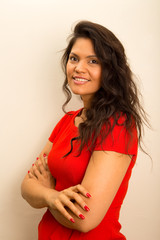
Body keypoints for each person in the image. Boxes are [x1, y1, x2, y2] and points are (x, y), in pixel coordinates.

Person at [21, 20, 148, 239]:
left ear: (110, 70)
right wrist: (51, 197)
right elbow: (26, 187)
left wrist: (45, 194)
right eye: (74, 58)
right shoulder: (67, 121)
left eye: (93, 61)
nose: (79, 68)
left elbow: (83, 219)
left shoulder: (118, 125)